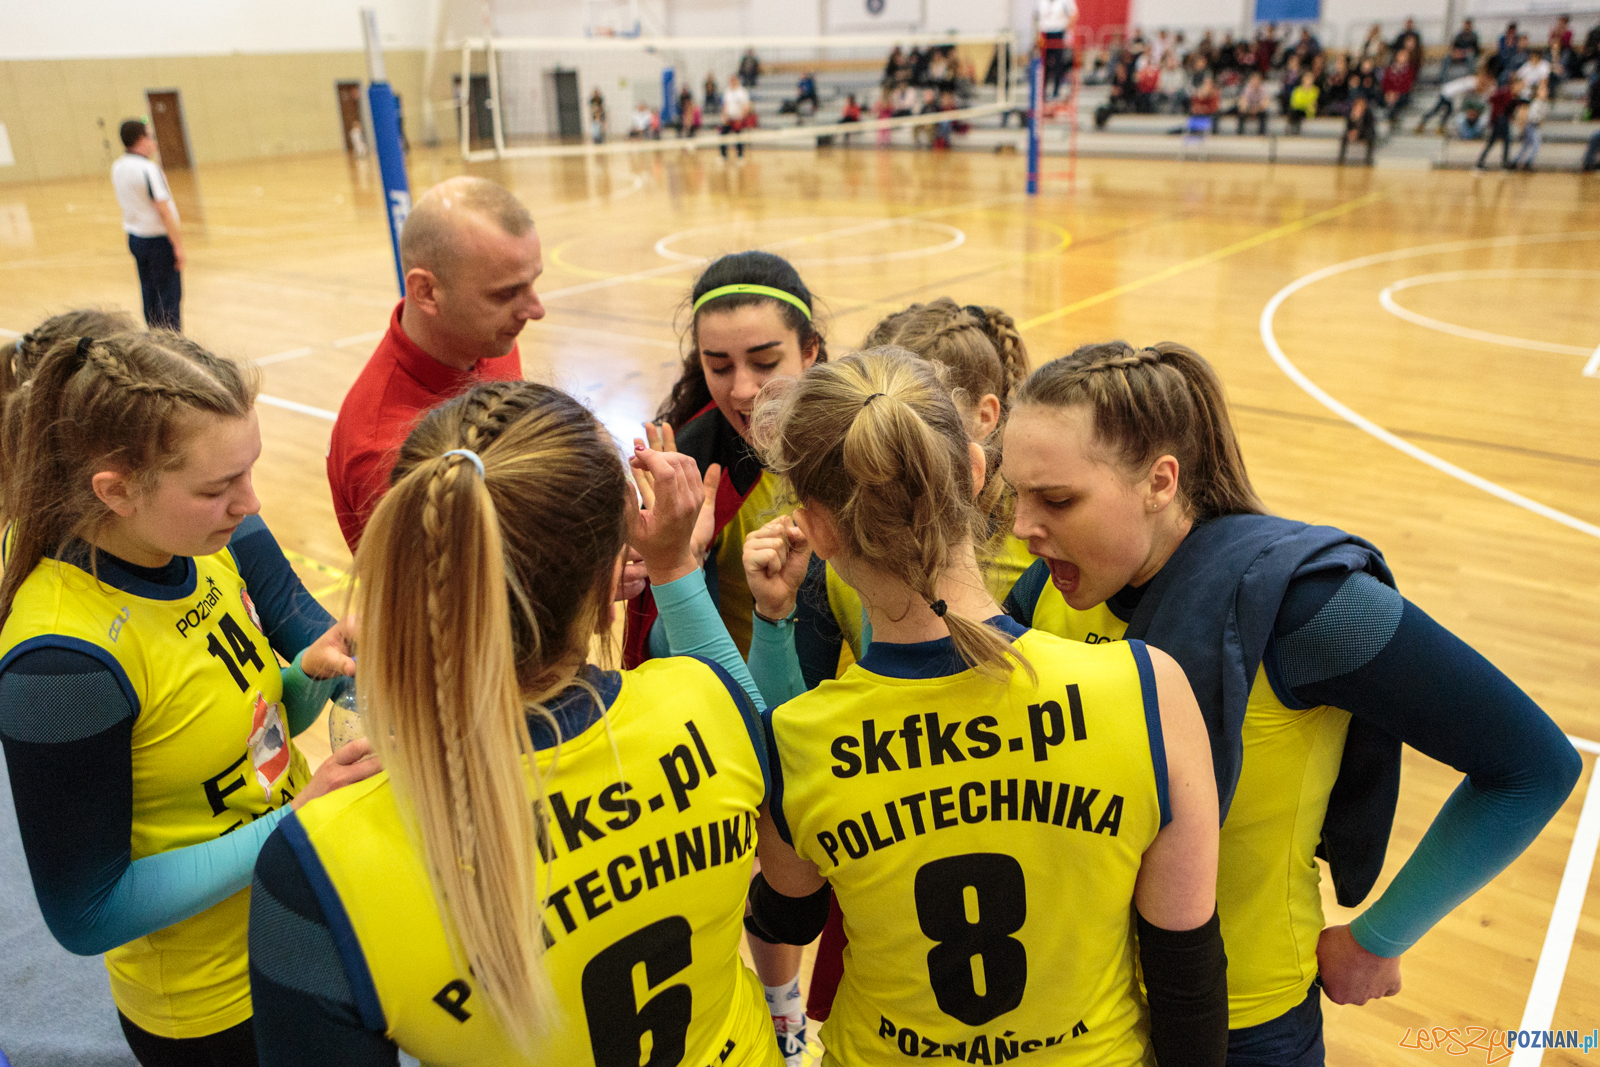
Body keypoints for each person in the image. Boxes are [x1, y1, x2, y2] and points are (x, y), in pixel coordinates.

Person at [1000, 342, 1581, 1066]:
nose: (1022, 528)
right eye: (1014, 495)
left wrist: (1379, 939)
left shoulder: (1302, 607)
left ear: (1160, 481)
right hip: (1074, 1012)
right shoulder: (1043, 592)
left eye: (1056, 500)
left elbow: (1533, 766)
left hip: (1245, 1025)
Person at [249, 381, 779, 1067]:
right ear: (608, 587)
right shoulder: (707, 702)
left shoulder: (317, 868)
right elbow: (762, 747)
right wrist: (676, 565)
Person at [746, 349, 1228, 1067]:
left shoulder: (799, 738)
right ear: (975, 472)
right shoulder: (1148, 689)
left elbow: (785, 917)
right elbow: (1188, 981)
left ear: (815, 529)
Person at [0, 329, 378, 1066]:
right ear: (114, 490)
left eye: (250, 470)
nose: (251, 502)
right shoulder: (61, 664)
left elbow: (243, 735)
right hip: (216, 1003)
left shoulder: (196, 548)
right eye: (216, 488)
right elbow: (87, 913)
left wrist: (308, 673)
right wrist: (296, 822)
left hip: (305, 915)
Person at [326, 176, 538, 551]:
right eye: (506, 293)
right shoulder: (383, 452)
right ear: (426, 292)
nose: (535, 309)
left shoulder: (488, 340)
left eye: (532, 283)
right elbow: (452, 587)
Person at [112, 119, 185, 331]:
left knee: (149, 293)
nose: (154, 142)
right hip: (157, 242)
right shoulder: (148, 168)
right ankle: (171, 342)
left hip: (135, 238)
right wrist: (177, 245)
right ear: (140, 140)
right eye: (150, 137)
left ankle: (153, 338)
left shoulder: (117, 167)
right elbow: (163, 209)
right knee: (168, 297)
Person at [1416, 71, 1485, 134]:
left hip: (1449, 94)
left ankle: (1440, 127)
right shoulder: (1473, 81)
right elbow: (1467, 93)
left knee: (1447, 112)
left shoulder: (1471, 79)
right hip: (1447, 93)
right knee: (1437, 110)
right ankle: (1423, 123)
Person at [1476, 79, 1520, 169]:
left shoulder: (1512, 95)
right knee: (1495, 142)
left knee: (1504, 142)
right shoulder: (1504, 93)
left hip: (1503, 120)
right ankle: (1481, 162)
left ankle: (1503, 163)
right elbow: (1492, 99)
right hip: (1499, 120)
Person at [1037, 0, 1077, 99]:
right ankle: (1042, 92)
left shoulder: (1065, 1)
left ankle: (1056, 91)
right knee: (1044, 64)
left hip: (1059, 32)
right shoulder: (1042, 2)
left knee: (1058, 63)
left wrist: (1068, 33)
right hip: (1045, 32)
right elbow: (1038, 17)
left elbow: (1073, 15)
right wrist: (1038, 35)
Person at [1510, 82, 1549, 170]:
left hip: (1534, 125)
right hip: (1531, 125)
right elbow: (1527, 115)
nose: (1545, 92)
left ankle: (1516, 161)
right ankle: (1527, 162)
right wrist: (1522, 126)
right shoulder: (1535, 102)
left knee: (1526, 145)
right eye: (1543, 90)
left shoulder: (1543, 103)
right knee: (1535, 144)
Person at [720, 74, 754, 158]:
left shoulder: (742, 92)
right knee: (723, 135)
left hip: (738, 118)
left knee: (738, 137)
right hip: (729, 118)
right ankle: (724, 156)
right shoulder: (727, 91)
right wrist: (724, 116)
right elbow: (724, 105)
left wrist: (741, 117)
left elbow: (746, 106)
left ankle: (740, 155)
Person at [1339, 96, 1377, 165]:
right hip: (1353, 133)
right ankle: (1341, 159)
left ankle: (1368, 160)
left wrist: (1358, 132)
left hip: (1364, 133)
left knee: (1371, 138)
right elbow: (1348, 127)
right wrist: (1353, 119)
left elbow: (1369, 127)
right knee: (1344, 138)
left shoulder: (1368, 113)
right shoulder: (1351, 113)